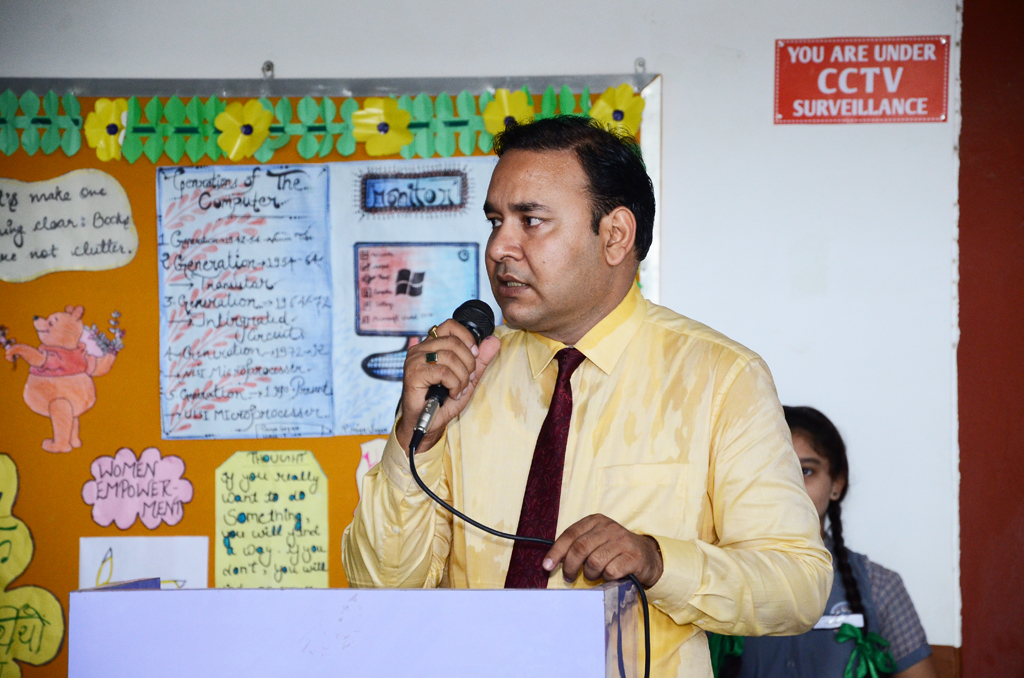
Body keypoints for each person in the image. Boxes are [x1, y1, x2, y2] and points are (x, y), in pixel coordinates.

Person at [342, 116, 833, 677]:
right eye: (496, 221)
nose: (499, 247)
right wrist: (416, 437)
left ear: (615, 235)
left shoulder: (721, 377)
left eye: (531, 221)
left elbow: (798, 586)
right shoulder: (464, 375)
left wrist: (658, 560)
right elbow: (378, 587)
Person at [720, 406, 937, 678]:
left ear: (837, 484)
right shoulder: (720, 577)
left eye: (806, 471)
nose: (790, 486)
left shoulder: (879, 586)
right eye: (775, 470)